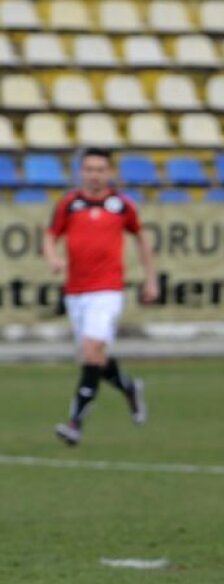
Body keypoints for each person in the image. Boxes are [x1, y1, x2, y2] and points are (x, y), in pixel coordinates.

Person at [43, 147, 157, 445]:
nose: (94, 175)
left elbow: (141, 239)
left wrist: (151, 279)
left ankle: (75, 423)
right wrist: (53, 258)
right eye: (89, 169)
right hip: (76, 292)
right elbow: (50, 235)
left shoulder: (122, 206)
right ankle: (130, 388)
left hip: (107, 290)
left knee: (91, 351)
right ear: (81, 172)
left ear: (110, 172)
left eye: (100, 169)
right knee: (95, 358)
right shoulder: (69, 204)